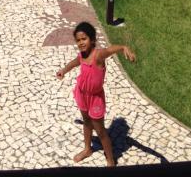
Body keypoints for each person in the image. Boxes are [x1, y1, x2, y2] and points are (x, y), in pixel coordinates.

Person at [56, 21, 136, 167]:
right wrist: (64, 70)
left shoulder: (98, 55)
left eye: (84, 39)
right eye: (78, 40)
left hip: (95, 99)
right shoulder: (82, 55)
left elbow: (111, 49)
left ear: (92, 39)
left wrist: (124, 47)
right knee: (86, 122)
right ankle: (87, 149)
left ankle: (110, 160)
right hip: (82, 94)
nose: (81, 42)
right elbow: (75, 62)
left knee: (100, 131)